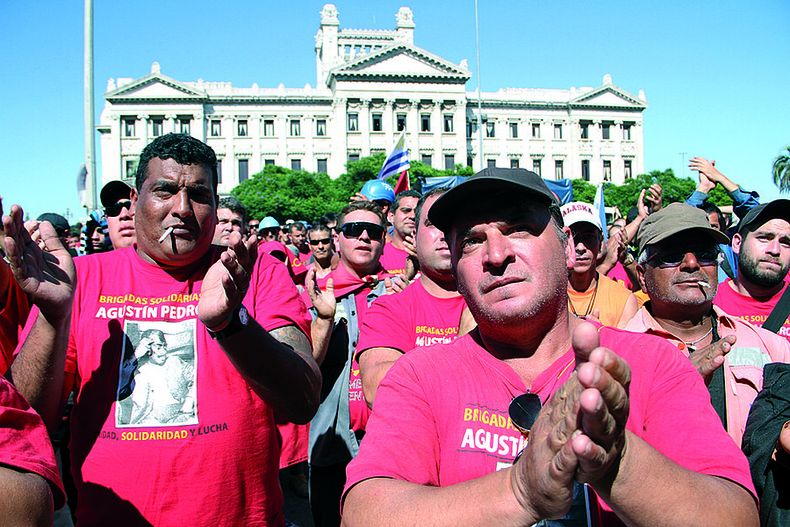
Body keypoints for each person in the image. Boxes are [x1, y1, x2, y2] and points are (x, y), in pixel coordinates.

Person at [341, 167, 758, 526]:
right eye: (471, 240)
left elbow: (736, 515)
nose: (496, 254)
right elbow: (362, 513)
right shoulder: (419, 376)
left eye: (518, 227)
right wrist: (520, 490)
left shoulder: (654, 362)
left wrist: (618, 460)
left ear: (564, 245)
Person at [6, 133, 321, 525]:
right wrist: (53, 318)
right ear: (135, 202)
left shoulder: (254, 273)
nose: (183, 209)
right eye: (165, 190)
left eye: (200, 195)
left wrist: (230, 324)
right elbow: (24, 426)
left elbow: (303, 399)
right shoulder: (81, 280)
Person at [622, 202, 790, 446]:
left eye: (704, 254)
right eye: (671, 255)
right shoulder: (616, 356)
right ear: (642, 276)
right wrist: (680, 381)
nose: (691, 264)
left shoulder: (771, 348)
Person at [303, 201, 390, 527]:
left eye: (374, 232)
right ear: (338, 239)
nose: (364, 237)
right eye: (354, 230)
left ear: (383, 240)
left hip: (384, 438)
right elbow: (304, 366)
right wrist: (323, 321)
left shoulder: (399, 292)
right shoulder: (314, 291)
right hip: (331, 438)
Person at [357, 188, 466, 406]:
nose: (444, 232)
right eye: (434, 223)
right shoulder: (389, 307)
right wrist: (464, 350)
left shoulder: (498, 304)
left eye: (453, 222)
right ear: (414, 237)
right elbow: (379, 389)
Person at [714, 199, 790, 341]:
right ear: (737, 243)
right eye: (764, 238)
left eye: (786, 243)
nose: (775, 250)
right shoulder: (707, 306)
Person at [562, 201, 638, 327]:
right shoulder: (544, 296)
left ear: (601, 243)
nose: (580, 247)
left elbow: (628, 345)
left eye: (588, 237)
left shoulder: (623, 300)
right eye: (572, 238)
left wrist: (603, 336)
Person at [379, 190, 420, 276]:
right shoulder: (378, 255)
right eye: (406, 210)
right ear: (391, 217)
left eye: (417, 212)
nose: (412, 216)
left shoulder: (434, 254)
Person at [100, 180, 136, 249]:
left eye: (132, 206)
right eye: (114, 209)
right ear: (106, 220)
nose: (124, 215)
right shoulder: (87, 260)